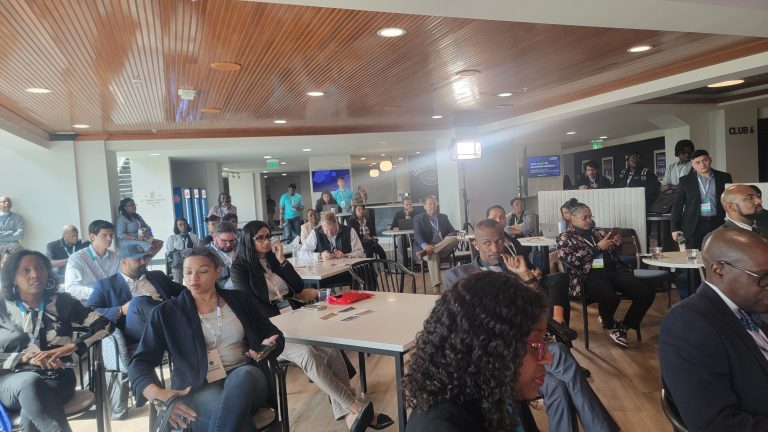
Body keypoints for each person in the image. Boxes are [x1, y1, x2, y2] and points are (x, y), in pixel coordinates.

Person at [442, 220, 617, 431]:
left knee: (557, 385)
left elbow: (539, 311)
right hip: (490, 355)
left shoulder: (513, 271)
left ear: (505, 241)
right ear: (475, 245)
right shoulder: (458, 276)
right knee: (559, 354)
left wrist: (526, 277)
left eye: (499, 241)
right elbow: (461, 324)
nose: (495, 248)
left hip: (526, 349)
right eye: (487, 243)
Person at [230, 221, 394, 432]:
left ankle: (349, 414)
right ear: (248, 240)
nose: (266, 242)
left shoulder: (273, 260)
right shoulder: (240, 268)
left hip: (295, 319)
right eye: (260, 238)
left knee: (331, 349)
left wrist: (282, 262)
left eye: (268, 237)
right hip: (269, 333)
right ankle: (355, 407)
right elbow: (251, 305)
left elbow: (298, 287)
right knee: (307, 353)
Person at [128, 247, 283, 432]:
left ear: (218, 271)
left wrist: (265, 348)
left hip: (249, 380)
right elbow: (140, 362)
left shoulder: (241, 300)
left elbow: (275, 336)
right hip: (200, 387)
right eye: (188, 272)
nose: (194, 278)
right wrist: (158, 395)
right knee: (229, 418)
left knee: (243, 376)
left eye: (202, 271)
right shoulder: (167, 313)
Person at [404, 271, 551, 432]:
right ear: (490, 348)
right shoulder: (440, 426)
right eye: (535, 344)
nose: (548, 358)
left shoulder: (499, 389)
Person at [659, 228, 768, 431]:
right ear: (719, 269)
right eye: (762, 276)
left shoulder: (751, 305)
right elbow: (715, 424)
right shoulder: (688, 324)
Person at [0, 250, 113, 432]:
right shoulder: (2, 308)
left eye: (40, 268)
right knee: (30, 382)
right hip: (10, 381)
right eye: (26, 270)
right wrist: (24, 358)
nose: (35, 274)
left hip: (56, 377)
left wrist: (72, 347)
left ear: (48, 272)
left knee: (31, 412)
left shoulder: (63, 302)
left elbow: (105, 324)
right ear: (13, 278)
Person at [87, 244, 185, 419]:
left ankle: (169, 402)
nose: (143, 262)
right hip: (137, 331)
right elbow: (90, 312)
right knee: (138, 303)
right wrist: (119, 310)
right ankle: (178, 333)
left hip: (164, 323)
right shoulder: (106, 285)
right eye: (137, 259)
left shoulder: (157, 276)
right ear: (123, 261)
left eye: (145, 258)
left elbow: (184, 292)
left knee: (151, 304)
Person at [557, 202, 655, 347]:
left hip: (612, 271)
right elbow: (572, 259)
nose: (589, 220)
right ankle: (609, 323)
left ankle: (623, 328)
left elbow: (615, 255)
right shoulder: (565, 237)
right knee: (610, 298)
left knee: (646, 292)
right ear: (573, 218)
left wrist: (617, 244)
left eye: (590, 216)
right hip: (587, 275)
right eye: (585, 218)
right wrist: (596, 249)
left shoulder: (599, 232)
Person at [472, 209, 571, 326]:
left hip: (527, 279)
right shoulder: (466, 274)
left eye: (502, 217)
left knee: (560, 279)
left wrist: (532, 272)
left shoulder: (514, 242)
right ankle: (557, 323)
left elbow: (528, 265)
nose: (495, 248)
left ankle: (558, 323)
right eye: (494, 218)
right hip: (506, 313)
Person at [670, 149, 733, 298]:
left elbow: (730, 201)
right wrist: (675, 228)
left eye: (704, 160)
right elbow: (677, 206)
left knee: (719, 260)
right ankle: (695, 297)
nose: (702, 164)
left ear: (710, 160)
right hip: (694, 226)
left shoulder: (724, 177)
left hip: (718, 224)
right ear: (693, 165)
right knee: (694, 263)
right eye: (698, 162)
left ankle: (719, 296)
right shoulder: (686, 180)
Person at [64, 220, 119, 301]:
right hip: (89, 302)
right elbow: (71, 288)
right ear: (93, 237)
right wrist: (100, 294)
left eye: (111, 235)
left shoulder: (116, 256)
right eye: (104, 235)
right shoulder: (77, 258)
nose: (109, 238)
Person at [413, 196, 459, 295]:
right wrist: (425, 246)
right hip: (426, 247)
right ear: (424, 206)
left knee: (455, 239)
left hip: (442, 246)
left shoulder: (443, 217)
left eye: (434, 204)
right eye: (430, 204)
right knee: (432, 255)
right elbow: (417, 234)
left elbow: (453, 231)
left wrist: (448, 237)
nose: (432, 206)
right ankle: (436, 289)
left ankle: (428, 251)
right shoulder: (418, 218)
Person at [165, 217, 200, 282]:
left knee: (192, 282)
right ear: (177, 226)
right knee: (178, 283)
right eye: (180, 225)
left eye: (184, 224)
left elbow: (198, 250)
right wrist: (181, 253)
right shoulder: (172, 238)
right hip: (178, 264)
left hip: (191, 263)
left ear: (187, 225)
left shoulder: (194, 237)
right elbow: (169, 253)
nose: (183, 226)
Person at [207, 222, 238, 289]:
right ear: (214, 237)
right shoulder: (205, 254)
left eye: (232, 240)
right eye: (224, 241)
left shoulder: (239, 249)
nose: (228, 244)